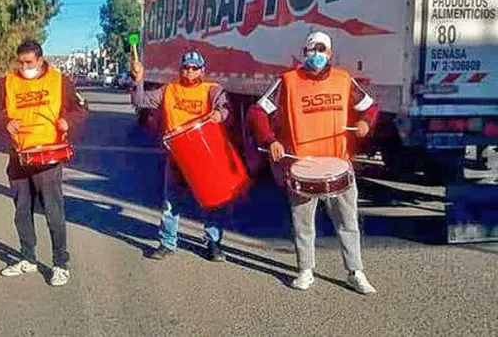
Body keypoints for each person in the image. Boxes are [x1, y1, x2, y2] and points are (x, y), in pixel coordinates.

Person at [248, 31, 379, 295]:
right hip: (303, 167)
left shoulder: (343, 80)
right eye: (312, 50)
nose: (317, 54)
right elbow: (258, 111)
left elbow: (371, 106)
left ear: (330, 53)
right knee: (303, 224)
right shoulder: (288, 81)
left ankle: (355, 272)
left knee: (348, 223)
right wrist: (270, 140)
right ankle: (305, 270)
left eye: (322, 49)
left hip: (338, 165)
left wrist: (366, 123)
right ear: (304, 52)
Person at [0, 40, 87, 287]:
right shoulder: (8, 82)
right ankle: (28, 258)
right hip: (19, 156)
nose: (24, 67)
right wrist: (4, 122)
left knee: (53, 213)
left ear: (40, 60)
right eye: (21, 62)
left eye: (29, 62)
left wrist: (68, 121)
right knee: (22, 212)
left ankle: (60, 264)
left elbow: (81, 108)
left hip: (48, 156)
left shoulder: (59, 81)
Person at [131, 50, 232, 262]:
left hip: (204, 156)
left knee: (211, 201)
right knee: (171, 202)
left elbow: (224, 108)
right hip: (177, 157)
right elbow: (140, 101)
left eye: (195, 68)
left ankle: (213, 243)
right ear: (180, 69)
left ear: (202, 70)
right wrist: (138, 79)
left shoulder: (212, 89)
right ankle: (167, 242)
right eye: (186, 67)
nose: (190, 72)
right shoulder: (168, 90)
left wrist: (219, 114)